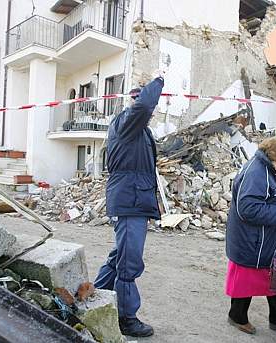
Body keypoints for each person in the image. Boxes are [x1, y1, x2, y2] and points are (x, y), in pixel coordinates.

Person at [94, 71, 165, 337]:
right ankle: (126, 317)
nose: (152, 112)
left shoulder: (137, 130)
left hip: (133, 199)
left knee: (120, 255)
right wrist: (157, 81)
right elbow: (145, 105)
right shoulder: (128, 121)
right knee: (129, 261)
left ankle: (96, 294)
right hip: (129, 200)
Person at [225, 136, 276, 335]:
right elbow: (247, 209)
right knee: (252, 279)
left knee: (271, 277)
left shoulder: (266, 169)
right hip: (253, 241)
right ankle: (238, 316)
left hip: (259, 240)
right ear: (273, 156)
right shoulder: (257, 173)